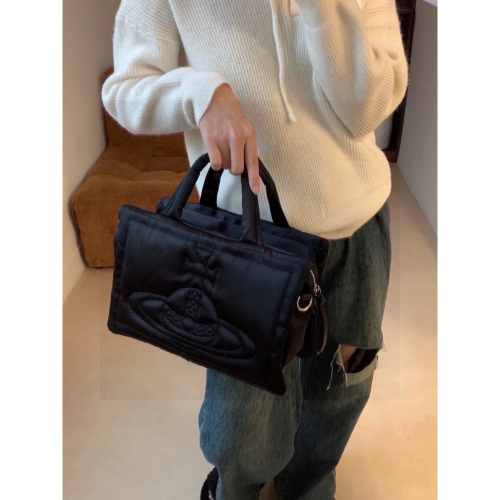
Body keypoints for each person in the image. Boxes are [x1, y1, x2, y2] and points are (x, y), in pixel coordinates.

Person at [102, 0, 408, 498]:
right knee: (238, 436)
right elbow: (124, 89)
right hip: (249, 241)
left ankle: (308, 486)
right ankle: (238, 488)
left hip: (356, 225)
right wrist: (201, 94)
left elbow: (367, 112)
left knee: (339, 391)